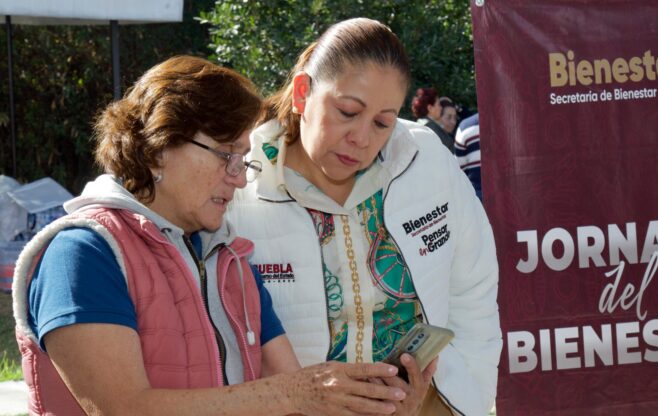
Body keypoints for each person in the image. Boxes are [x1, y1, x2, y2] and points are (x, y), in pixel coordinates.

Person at [12, 55, 407, 416]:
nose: (238, 178)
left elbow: (298, 397)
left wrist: (384, 404)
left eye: (243, 158)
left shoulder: (231, 260)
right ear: (157, 148)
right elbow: (125, 408)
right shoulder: (83, 252)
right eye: (224, 154)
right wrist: (293, 392)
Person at [228, 18, 502, 416]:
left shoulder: (427, 163)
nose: (361, 138)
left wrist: (452, 401)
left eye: (382, 123)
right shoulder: (240, 184)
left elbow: (473, 290)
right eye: (347, 112)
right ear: (303, 93)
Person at [410, 87, 454, 152]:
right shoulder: (431, 129)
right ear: (430, 108)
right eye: (438, 105)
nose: (441, 108)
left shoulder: (416, 125)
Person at [454, 112, 482, 200]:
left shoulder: (465, 126)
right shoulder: (517, 119)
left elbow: (459, 167)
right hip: (514, 193)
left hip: (477, 195)